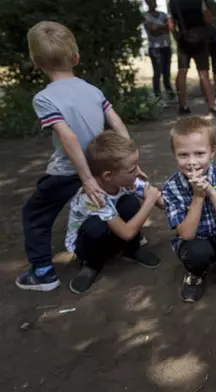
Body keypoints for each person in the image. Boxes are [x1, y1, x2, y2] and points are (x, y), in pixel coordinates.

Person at [16, 21, 136, 292]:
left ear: (36, 63)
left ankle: (43, 272)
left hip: (69, 170)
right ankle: (129, 243)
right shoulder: (91, 89)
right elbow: (117, 124)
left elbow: (68, 136)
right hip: (102, 165)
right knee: (114, 201)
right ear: (76, 57)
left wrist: (84, 177)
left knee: (34, 214)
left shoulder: (44, 98)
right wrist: (129, 161)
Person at [162, 116, 216, 303]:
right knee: (197, 252)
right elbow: (186, 234)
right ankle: (196, 274)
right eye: (183, 155)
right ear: (174, 154)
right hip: (195, 243)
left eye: (199, 153)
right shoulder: (171, 187)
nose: (192, 162)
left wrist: (211, 191)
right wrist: (198, 196)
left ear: (212, 152)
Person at [65, 132, 163, 294]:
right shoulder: (93, 197)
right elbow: (126, 232)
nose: (138, 172)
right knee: (95, 225)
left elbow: (161, 202)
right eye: (133, 169)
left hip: (114, 233)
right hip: (89, 244)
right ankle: (91, 265)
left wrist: (195, 198)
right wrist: (149, 201)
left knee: (129, 202)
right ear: (108, 176)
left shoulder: (126, 180)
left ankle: (132, 249)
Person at [167, 0, 216, 116]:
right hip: (200, 37)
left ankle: (182, 106)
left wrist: (177, 37)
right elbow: (208, 18)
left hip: (183, 38)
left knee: (182, 71)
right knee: (203, 73)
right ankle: (212, 106)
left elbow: (171, 26)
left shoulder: (172, 3)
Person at [143, 0, 175, 100]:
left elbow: (169, 27)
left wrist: (158, 27)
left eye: (154, 1)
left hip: (166, 46)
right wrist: (162, 27)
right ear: (147, 3)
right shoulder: (145, 16)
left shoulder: (163, 14)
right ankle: (157, 94)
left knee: (167, 72)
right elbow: (152, 30)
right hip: (155, 48)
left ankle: (169, 92)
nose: (153, 3)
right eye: (150, 1)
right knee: (157, 72)